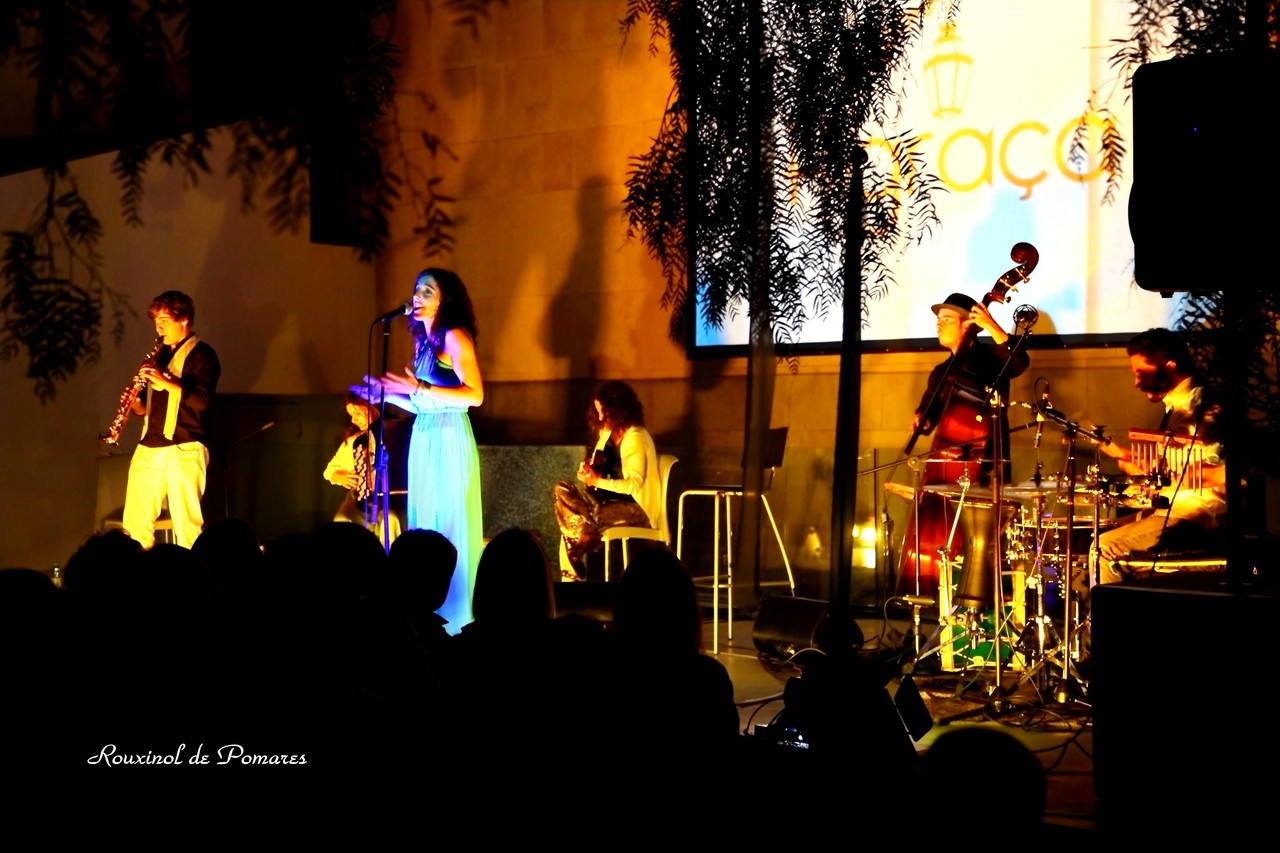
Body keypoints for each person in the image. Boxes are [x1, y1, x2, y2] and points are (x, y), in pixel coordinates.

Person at [355, 268, 483, 634]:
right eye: (416, 289)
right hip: (426, 434)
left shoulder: (455, 337)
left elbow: (474, 395)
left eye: (428, 291)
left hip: (449, 436)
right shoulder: (423, 344)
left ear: (445, 300)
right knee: (426, 520)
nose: (418, 296)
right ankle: (424, 619)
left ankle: (456, 621)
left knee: (448, 523)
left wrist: (420, 388)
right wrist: (386, 395)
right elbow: (423, 403)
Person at [1095, 328, 1226, 581]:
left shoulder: (1205, 407)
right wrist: (1136, 465)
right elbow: (1174, 472)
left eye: (1141, 372)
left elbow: (1224, 471)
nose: (1137, 382)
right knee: (1098, 531)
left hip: (1197, 517)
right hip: (1171, 509)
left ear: (1170, 366)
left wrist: (1189, 474)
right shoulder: (1175, 407)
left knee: (1103, 549)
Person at [121, 290, 221, 550]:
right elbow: (147, 408)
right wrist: (135, 404)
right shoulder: (158, 356)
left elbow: (202, 401)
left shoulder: (202, 354)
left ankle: (193, 571)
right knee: (134, 524)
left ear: (184, 319)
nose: (159, 327)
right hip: (150, 445)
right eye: (156, 321)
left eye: (164, 320)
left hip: (185, 445)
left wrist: (164, 381)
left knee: (186, 525)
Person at [912, 291, 1030, 484]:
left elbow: (1018, 363)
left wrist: (990, 324)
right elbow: (930, 409)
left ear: (967, 325)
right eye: (938, 320)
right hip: (949, 465)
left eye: (947, 319)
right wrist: (923, 419)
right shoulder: (941, 372)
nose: (938, 325)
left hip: (989, 466)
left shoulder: (991, 357)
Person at [552, 380, 661, 582]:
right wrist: (590, 470)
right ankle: (586, 536)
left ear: (617, 409)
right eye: (598, 412)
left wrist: (598, 481)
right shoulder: (607, 435)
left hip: (637, 509)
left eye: (604, 411)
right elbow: (598, 467)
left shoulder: (636, 437)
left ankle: (571, 579)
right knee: (562, 490)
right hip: (605, 503)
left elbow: (633, 485)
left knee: (574, 525)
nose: (601, 417)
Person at [323, 391, 401, 547]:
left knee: (391, 520)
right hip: (359, 502)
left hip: (392, 503)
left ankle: (390, 558)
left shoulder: (396, 431)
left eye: (357, 413)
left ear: (373, 407)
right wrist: (340, 476)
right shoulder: (354, 440)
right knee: (341, 520)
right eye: (351, 415)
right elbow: (329, 471)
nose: (353, 419)